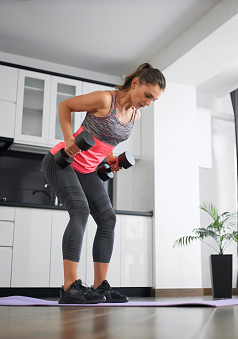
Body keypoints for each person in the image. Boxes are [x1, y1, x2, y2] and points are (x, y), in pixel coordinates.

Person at [41, 63, 166, 304]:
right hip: (62, 161)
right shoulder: (105, 100)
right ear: (135, 83)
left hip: (87, 169)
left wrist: (108, 159)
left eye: (154, 100)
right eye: (147, 95)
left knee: (108, 219)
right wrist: (68, 138)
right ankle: (69, 287)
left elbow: (107, 139)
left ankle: (100, 287)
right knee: (80, 211)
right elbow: (64, 106)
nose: (148, 102)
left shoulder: (135, 114)